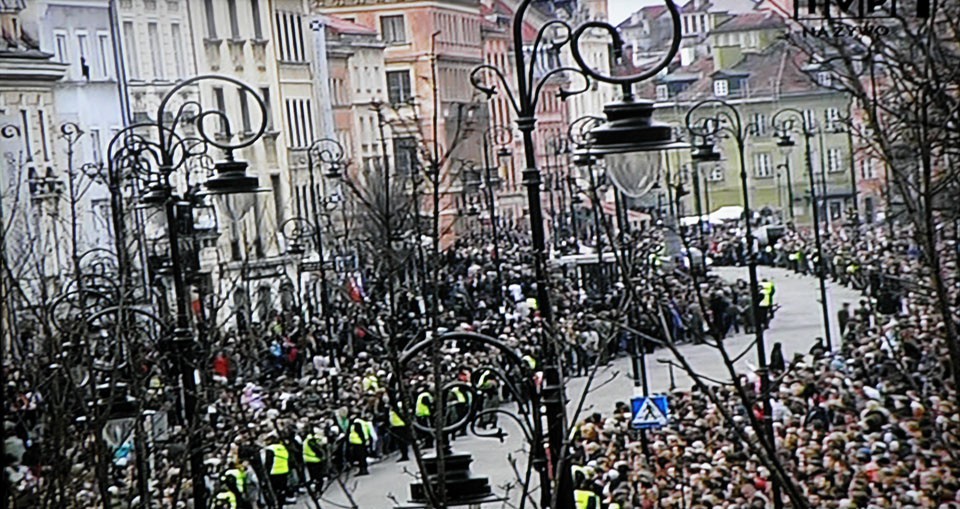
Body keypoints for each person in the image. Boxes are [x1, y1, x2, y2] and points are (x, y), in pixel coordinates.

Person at [261, 436, 293, 506]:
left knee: (276, 490)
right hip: (284, 470)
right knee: (282, 489)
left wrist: (266, 473)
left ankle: (278, 503)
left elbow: (268, 462)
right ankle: (283, 501)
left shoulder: (270, 449)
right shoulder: (282, 447)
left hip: (274, 472)